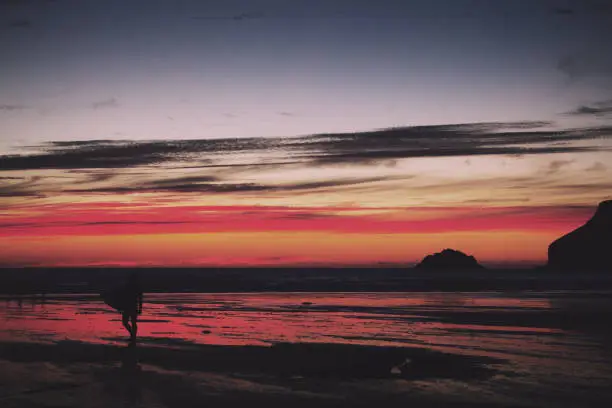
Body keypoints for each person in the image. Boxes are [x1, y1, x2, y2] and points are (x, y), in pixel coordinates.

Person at [121, 272, 143, 343]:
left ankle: (133, 336)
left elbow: (140, 298)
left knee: (132, 322)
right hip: (128, 307)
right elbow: (122, 296)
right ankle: (132, 335)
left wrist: (140, 308)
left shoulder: (137, 287)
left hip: (132, 307)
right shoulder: (127, 286)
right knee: (126, 322)